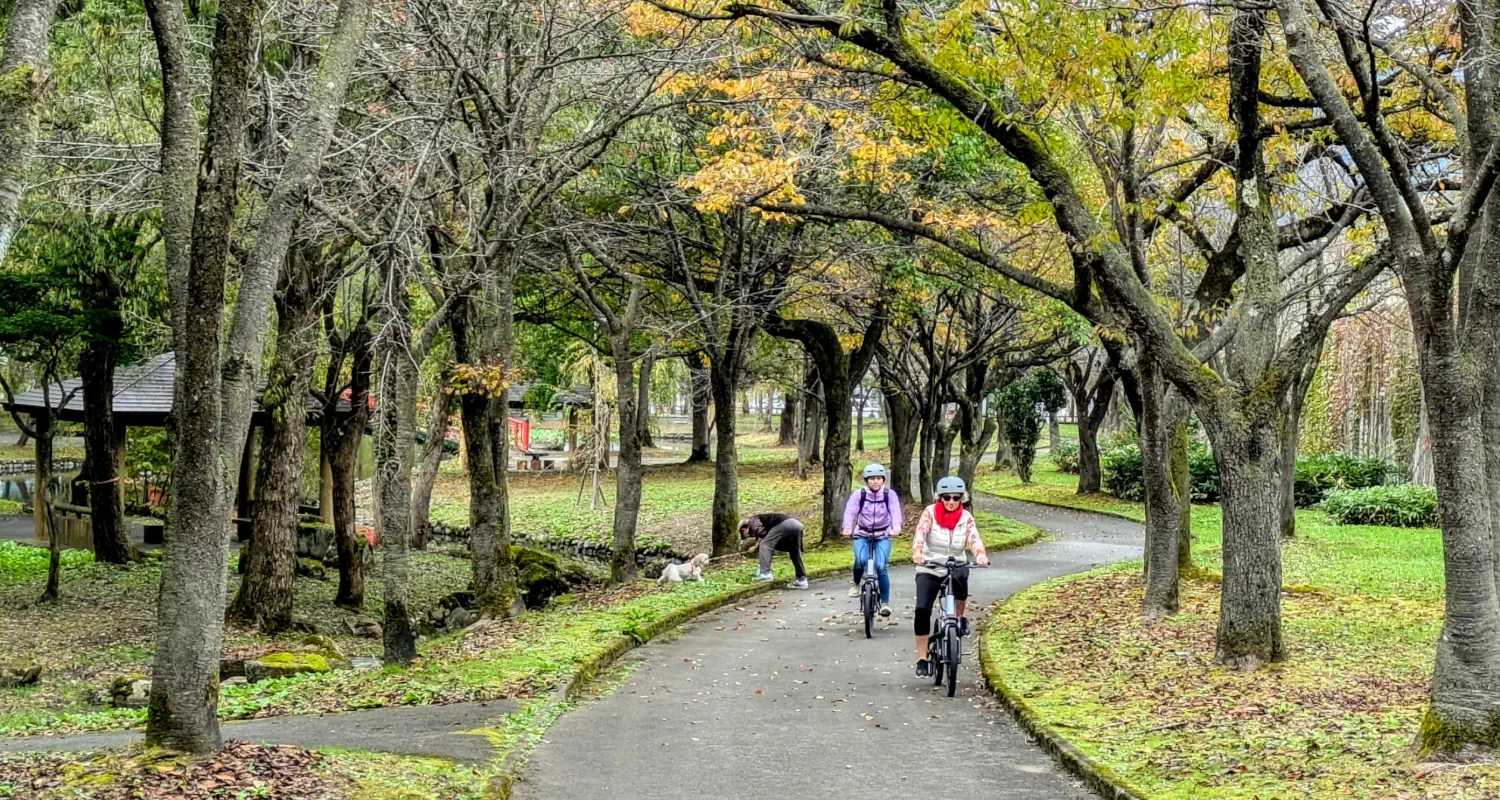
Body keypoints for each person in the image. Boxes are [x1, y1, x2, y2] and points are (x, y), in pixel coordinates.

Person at [910, 476, 989, 678]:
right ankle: (922, 658)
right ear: (940, 498)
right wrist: (918, 552)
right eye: (947, 497)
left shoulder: (966, 518)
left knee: (962, 579)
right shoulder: (930, 513)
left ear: (962, 499)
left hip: (956, 564)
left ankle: (960, 618)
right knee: (922, 610)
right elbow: (920, 532)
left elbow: (974, 538)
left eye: (956, 498)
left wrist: (980, 554)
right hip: (930, 565)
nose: (951, 502)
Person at [842, 463, 902, 617]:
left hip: (883, 534)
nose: (875, 481)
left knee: (881, 566)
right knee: (861, 561)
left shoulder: (889, 494)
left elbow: (895, 512)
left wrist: (896, 528)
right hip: (862, 533)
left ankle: (885, 603)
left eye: (878, 478)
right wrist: (847, 528)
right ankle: (856, 583)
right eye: (872, 479)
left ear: (883, 480)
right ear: (866, 481)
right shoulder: (859, 494)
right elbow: (850, 511)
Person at [740, 513, 809, 588]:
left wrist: (755, 548)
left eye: (744, 536)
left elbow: (764, 537)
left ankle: (765, 574)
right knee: (795, 552)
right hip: (797, 524)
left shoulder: (752, 522)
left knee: (765, 544)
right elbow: (767, 537)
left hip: (785, 524)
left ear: (744, 530)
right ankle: (801, 579)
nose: (749, 537)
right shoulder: (764, 522)